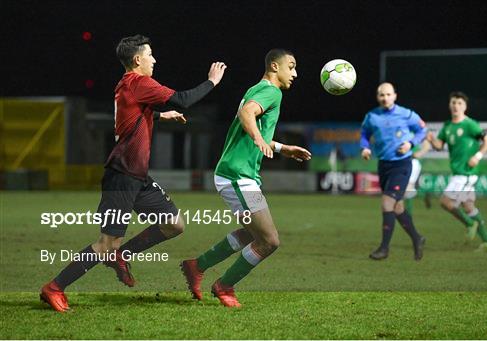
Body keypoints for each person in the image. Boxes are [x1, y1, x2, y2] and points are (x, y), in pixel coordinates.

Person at [39, 34, 227, 312]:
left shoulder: (127, 85)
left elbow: (131, 117)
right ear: (137, 59)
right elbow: (182, 100)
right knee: (106, 242)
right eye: (150, 54)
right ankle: (54, 287)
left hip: (137, 177)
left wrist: (161, 116)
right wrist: (211, 81)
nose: (154, 59)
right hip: (122, 176)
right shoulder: (140, 82)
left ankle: (122, 255)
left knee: (173, 224)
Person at [180, 49, 311, 307]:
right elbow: (247, 114)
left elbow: (252, 124)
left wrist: (283, 148)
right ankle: (224, 286)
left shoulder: (257, 89)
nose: (295, 74)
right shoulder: (271, 92)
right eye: (291, 67)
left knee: (254, 234)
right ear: (274, 66)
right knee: (269, 240)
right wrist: (258, 139)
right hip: (237, 177)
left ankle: (197, 266)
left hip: (240, 175)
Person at [360, 82, 427, 261]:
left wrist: (411, 144)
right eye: (381, 95)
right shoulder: (372, 116)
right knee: (397, 208)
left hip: (402, 165)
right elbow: (365, 134)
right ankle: (417, 238)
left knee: (387, 203)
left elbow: (422, 130)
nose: (385, 98)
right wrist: (365, 148)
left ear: (395, 96)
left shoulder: (406, 114)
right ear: (377, 97)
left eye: (388, 94)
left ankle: (384, 248)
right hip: (384, 165)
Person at [427, 91, 487, 251]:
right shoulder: (448, 126)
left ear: (465, 107)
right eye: (453, 103)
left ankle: (471, 224)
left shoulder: (470, 124)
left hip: (466, 173)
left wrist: (477, 156)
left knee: (445, 201)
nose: (456, 106)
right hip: (459, 173)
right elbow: (439, 146)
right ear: (449, 105)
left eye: (459, 103)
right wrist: (431, 140)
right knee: (468, 206)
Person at [404, 139, 432, 214]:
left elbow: (427, 145)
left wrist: (418, 154)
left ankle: (408, 215)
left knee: (408, 189)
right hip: (403, 163)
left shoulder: (416, 131)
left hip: (413, 162)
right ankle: (424, 193)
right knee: (405, 189)